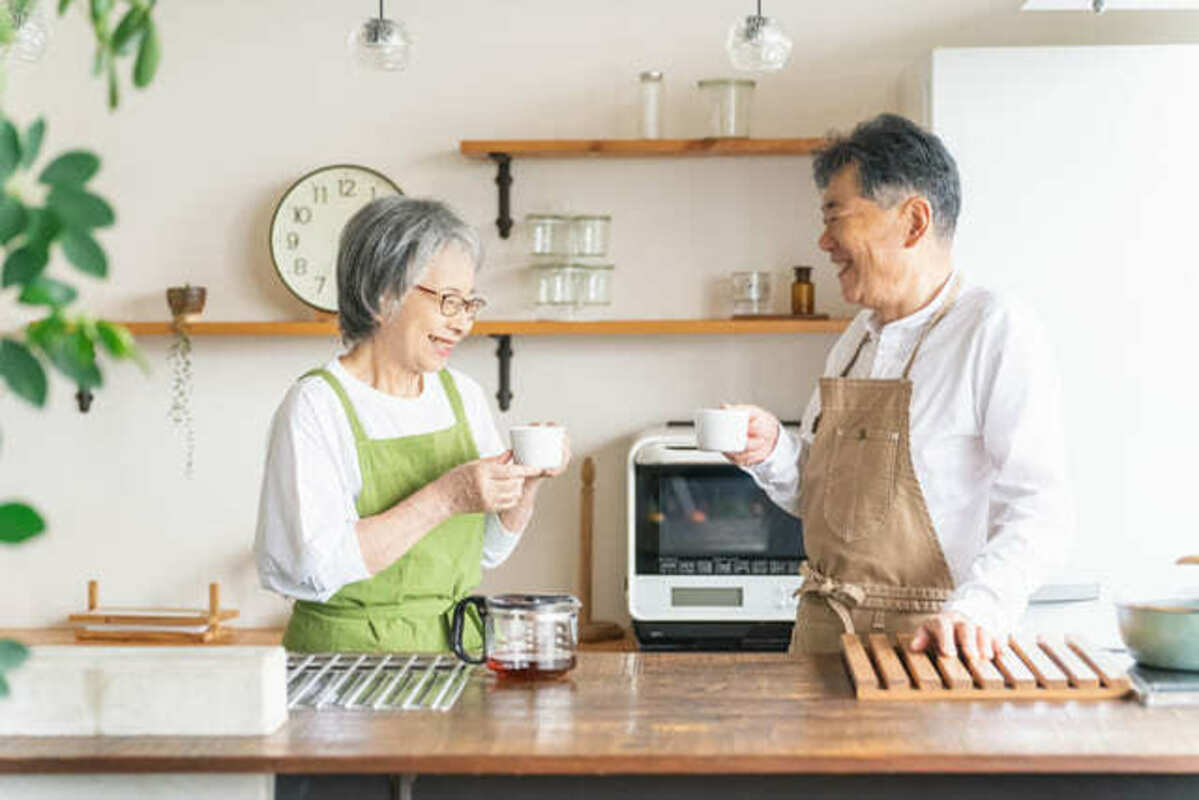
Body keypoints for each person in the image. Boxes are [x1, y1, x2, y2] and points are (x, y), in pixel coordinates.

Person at [726, 114, 1073, 659]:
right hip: (820, 637)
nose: (824, 241)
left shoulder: (993, 327)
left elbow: (1040, 505)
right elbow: (827, 503)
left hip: (929, 647)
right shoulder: (856, 340)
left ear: (913, 221)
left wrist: (977, 610)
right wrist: (773, 451)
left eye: (835, 216)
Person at [254, 196, 568, 653]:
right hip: (346, 671)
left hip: (453, 652)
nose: (462, 323)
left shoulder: (462, 395)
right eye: (448, 301)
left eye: (469, 303)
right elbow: (314, 567)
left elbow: (487, 549)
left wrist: (529, 482)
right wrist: (445, 497)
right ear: (383, 296)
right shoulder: (317, 405)